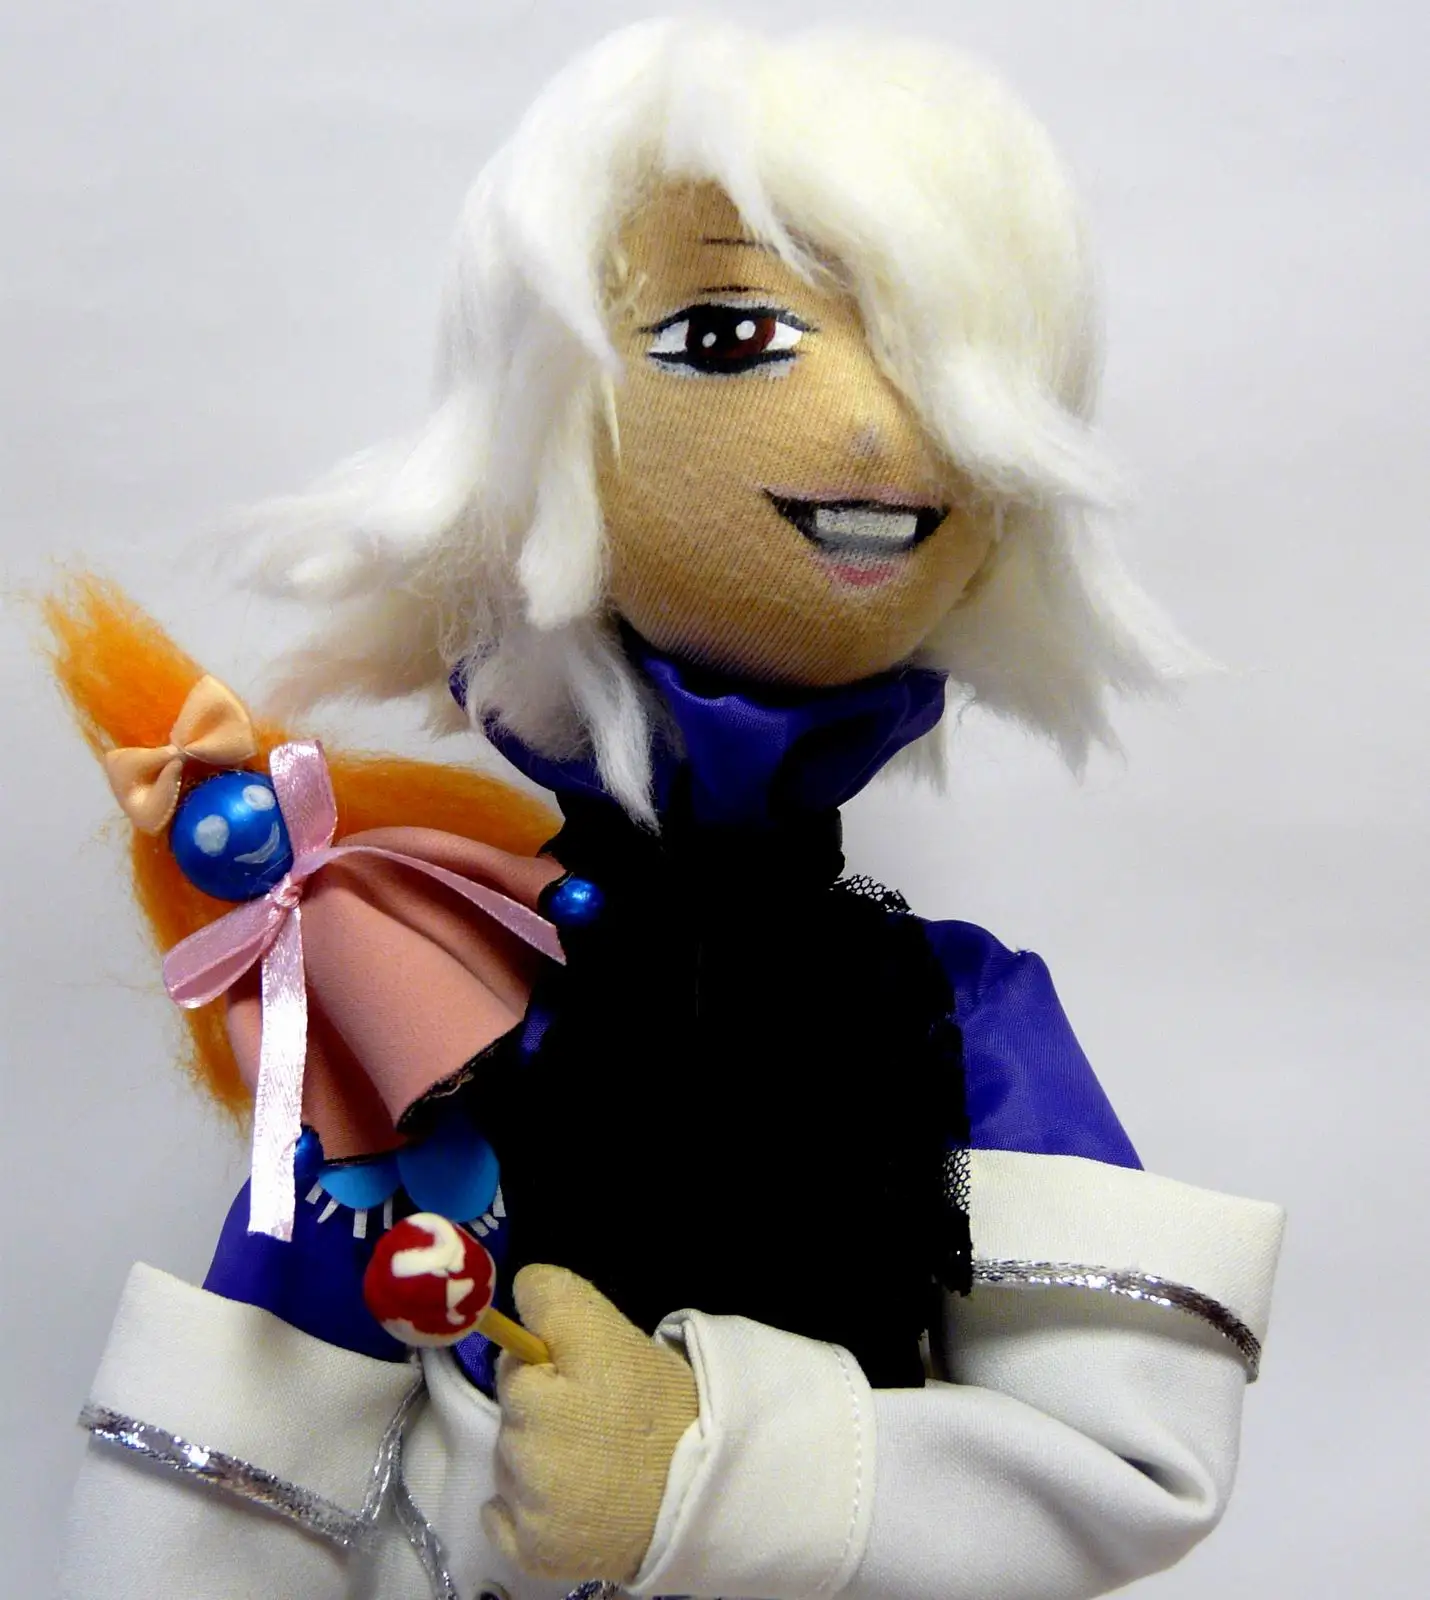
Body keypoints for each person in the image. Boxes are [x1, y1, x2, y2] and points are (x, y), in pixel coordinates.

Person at [60, 21, 1283, 1600]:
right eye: (724, 334)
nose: (872, 427)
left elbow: (1123, 1462)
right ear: (539, 429)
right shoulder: (456, 986)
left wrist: (700, 1466)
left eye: (930, 358)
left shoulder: (957, 1017)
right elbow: (249, 1467)